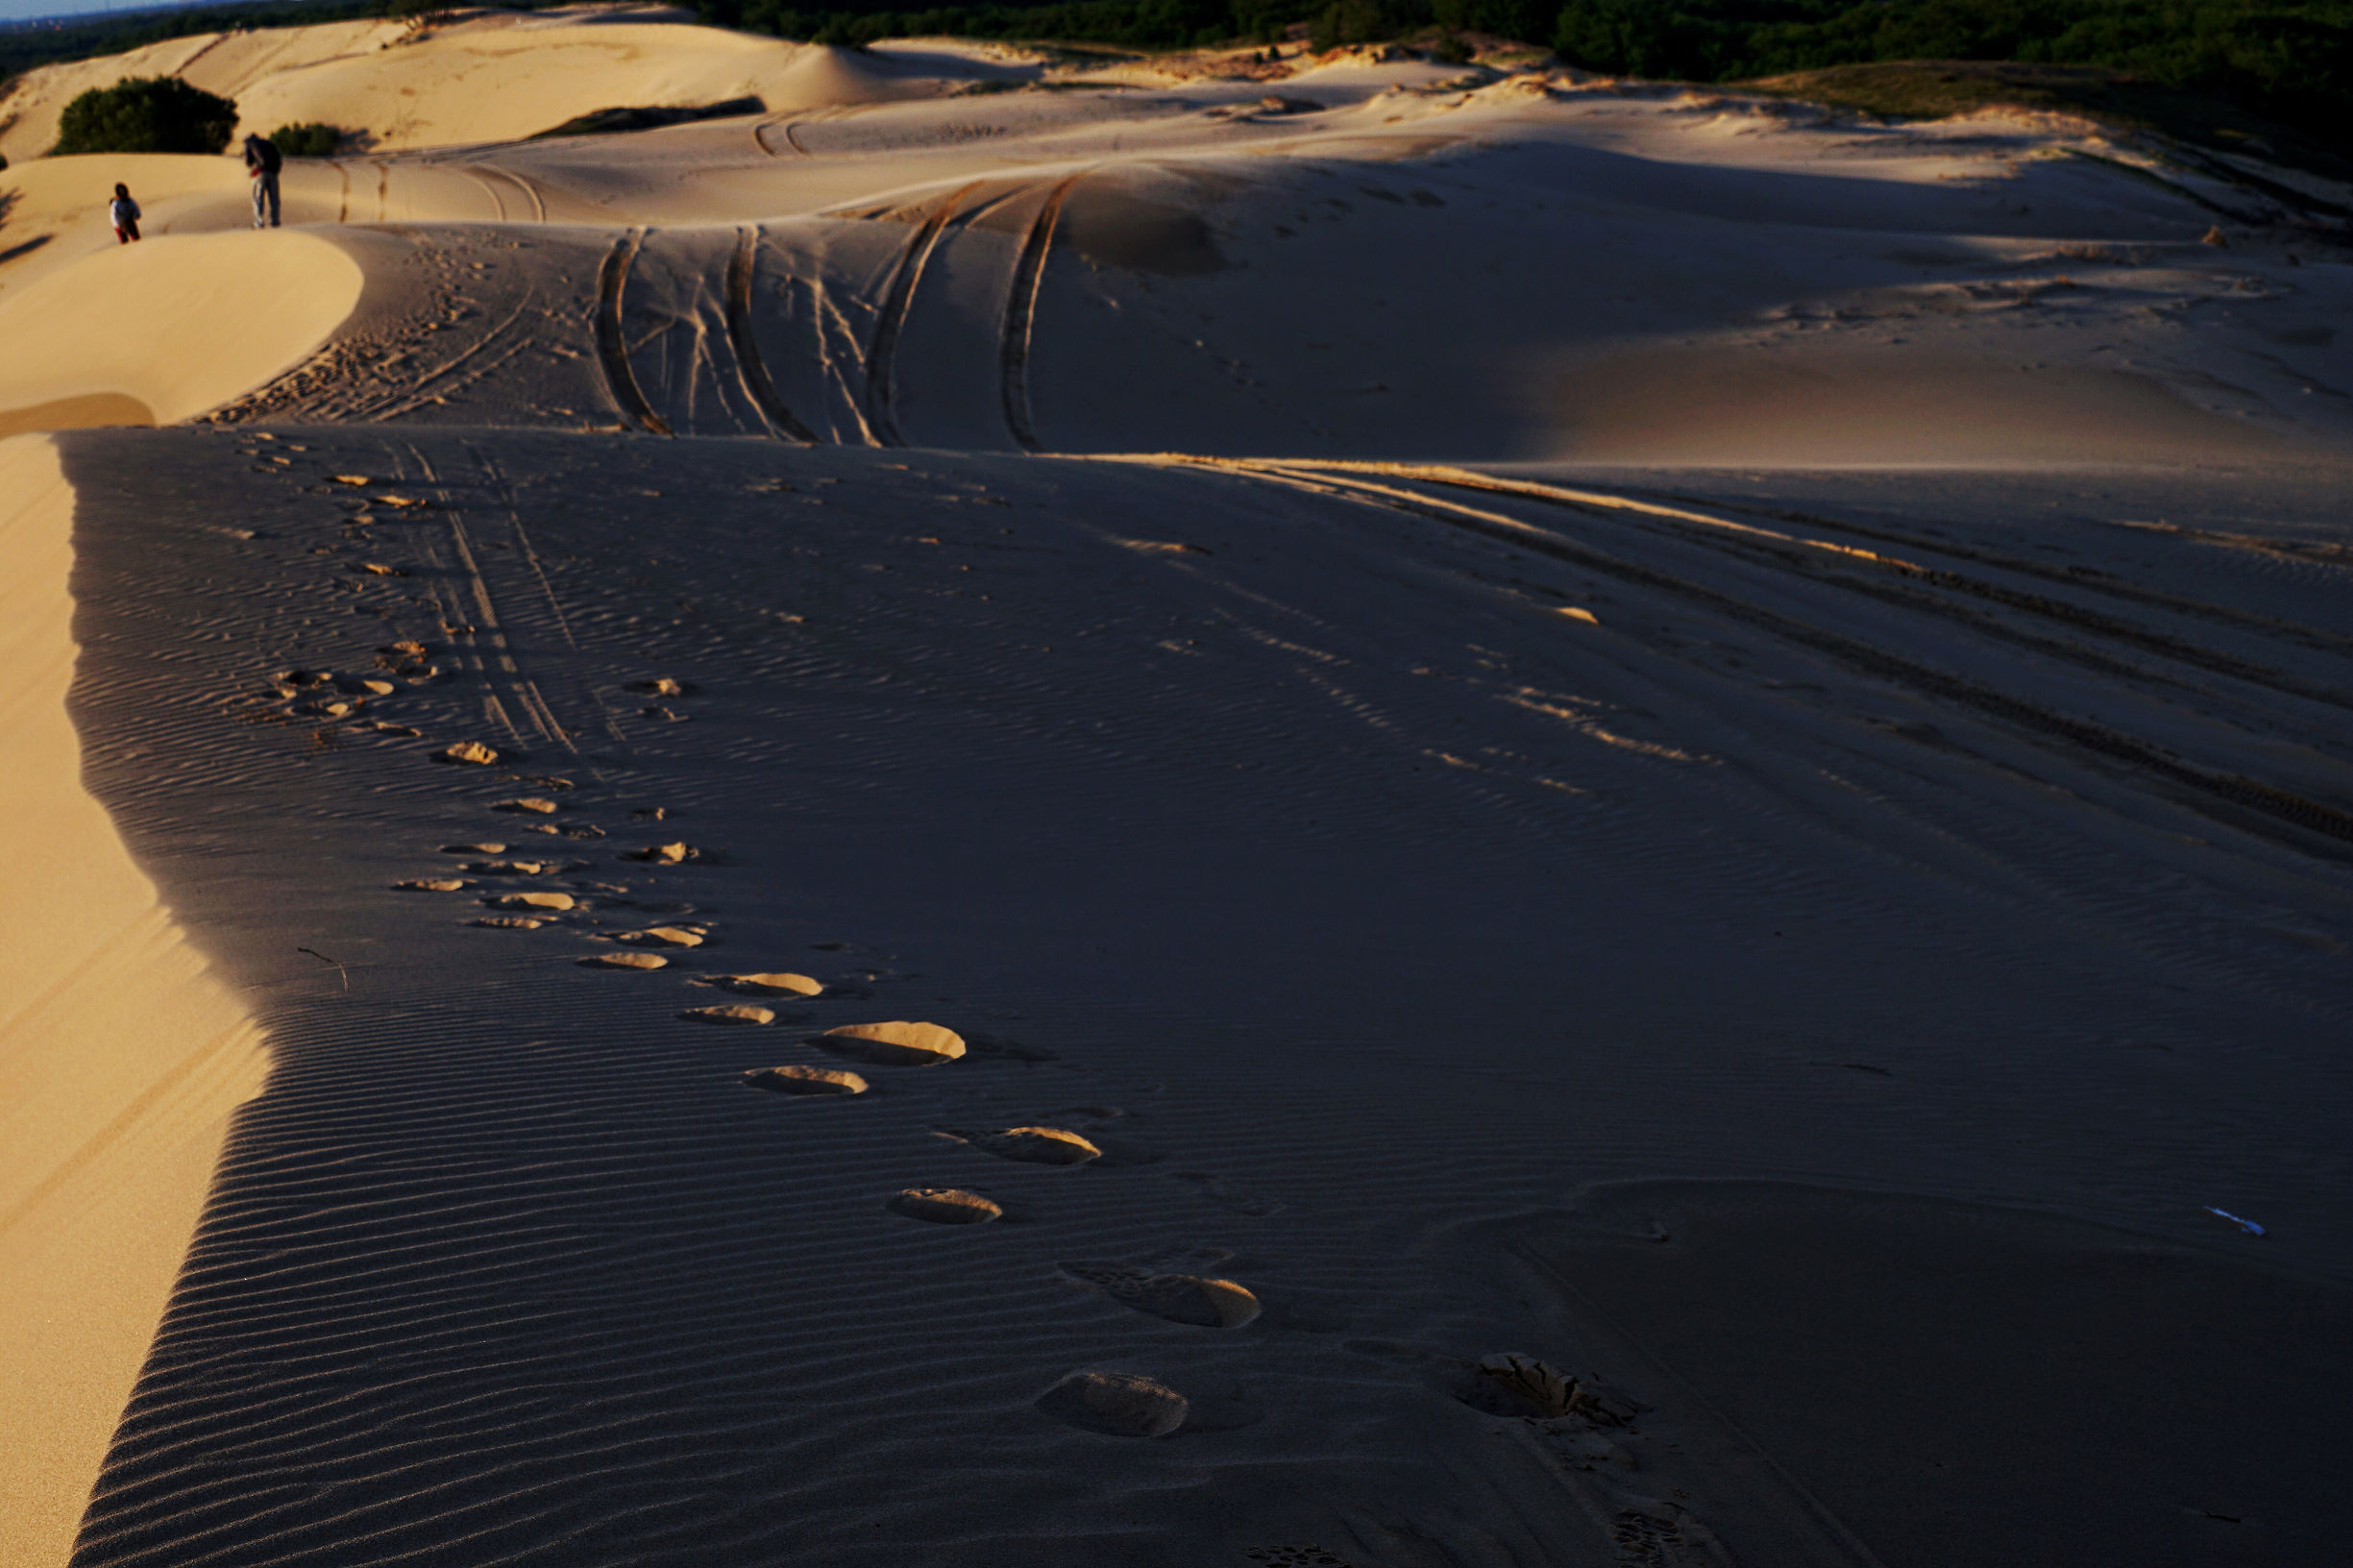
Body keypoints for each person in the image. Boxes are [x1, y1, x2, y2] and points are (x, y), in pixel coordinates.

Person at [243, 134, 282, 229]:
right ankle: (275, 221)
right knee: (274, 199)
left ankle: (259, 222)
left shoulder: (249, 143)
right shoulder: (268, 143)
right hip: (273, 173)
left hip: (260, 173)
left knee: (258, 198)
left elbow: (248, 162)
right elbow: (279, 158)